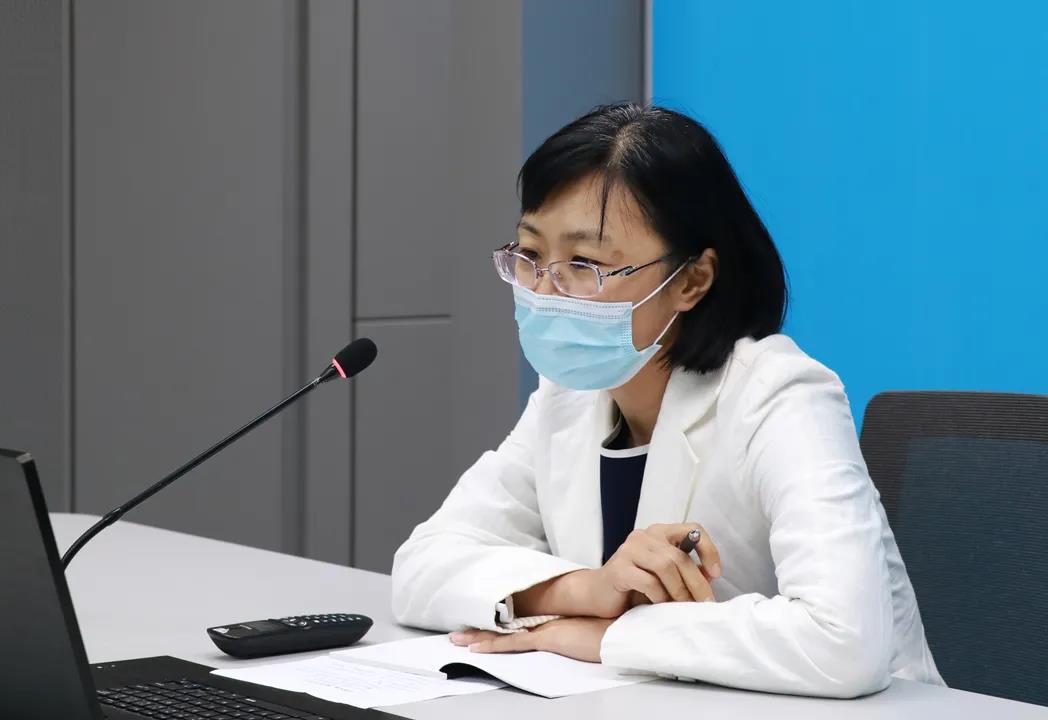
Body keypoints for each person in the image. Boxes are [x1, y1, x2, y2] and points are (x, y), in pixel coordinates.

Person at [390, 104, 943, 698]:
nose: (546, 291)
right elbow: (421, 568)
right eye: (529, 256)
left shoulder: (782, 396)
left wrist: (609, 636)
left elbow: (844, 644)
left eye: (584, 264)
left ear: (691, 279)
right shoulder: (569, 395)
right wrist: (585, 591)